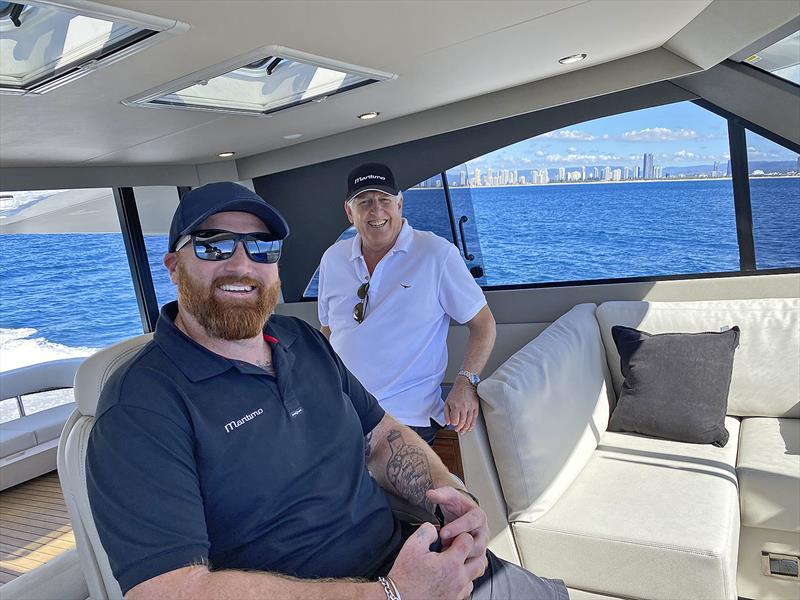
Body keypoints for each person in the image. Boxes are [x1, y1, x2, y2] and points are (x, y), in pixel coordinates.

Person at [86, 182, 567, 599]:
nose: (242, 264)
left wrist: (455, 499)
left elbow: (380, 437)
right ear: (174, 266)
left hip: (413, 564)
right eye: (213, 246)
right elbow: (169, 592)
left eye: (261, 247)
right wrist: (393, 594)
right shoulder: (139, 406)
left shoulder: (303, 341)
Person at [318, 163, 496, 443]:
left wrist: (465, 382)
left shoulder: (436, 253)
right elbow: (328, 331)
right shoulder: (332, 258)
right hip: (343, 413)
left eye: (384, 200)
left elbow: (483, 324)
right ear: (349, 212)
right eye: (364, 202)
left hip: (406, 419)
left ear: (400, 204)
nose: (376, 211)